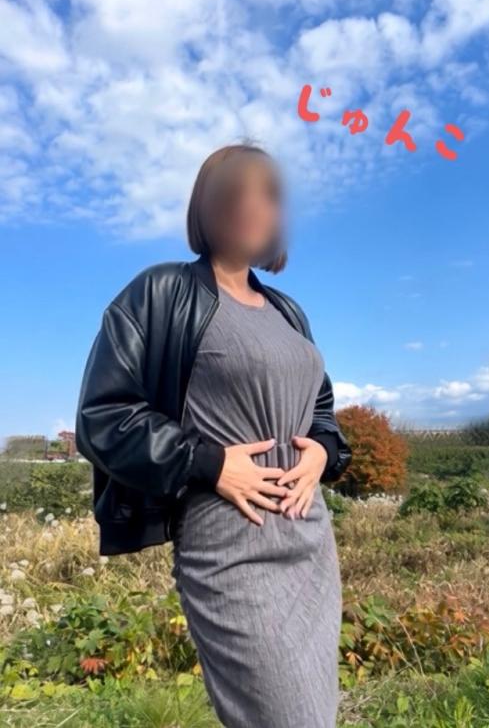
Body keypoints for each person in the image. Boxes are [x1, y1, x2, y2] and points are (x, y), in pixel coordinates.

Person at [76, 143, 352, 728]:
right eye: (237, 190)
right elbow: (103, 416)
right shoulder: (161, 292)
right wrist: (209, 463)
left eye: (269, 194)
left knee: (317, 714)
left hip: (309, 542)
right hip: (230, 547)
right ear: (208, 203)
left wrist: (323, 454)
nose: (254, 204)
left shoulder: (288, 313)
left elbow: (321, 408)